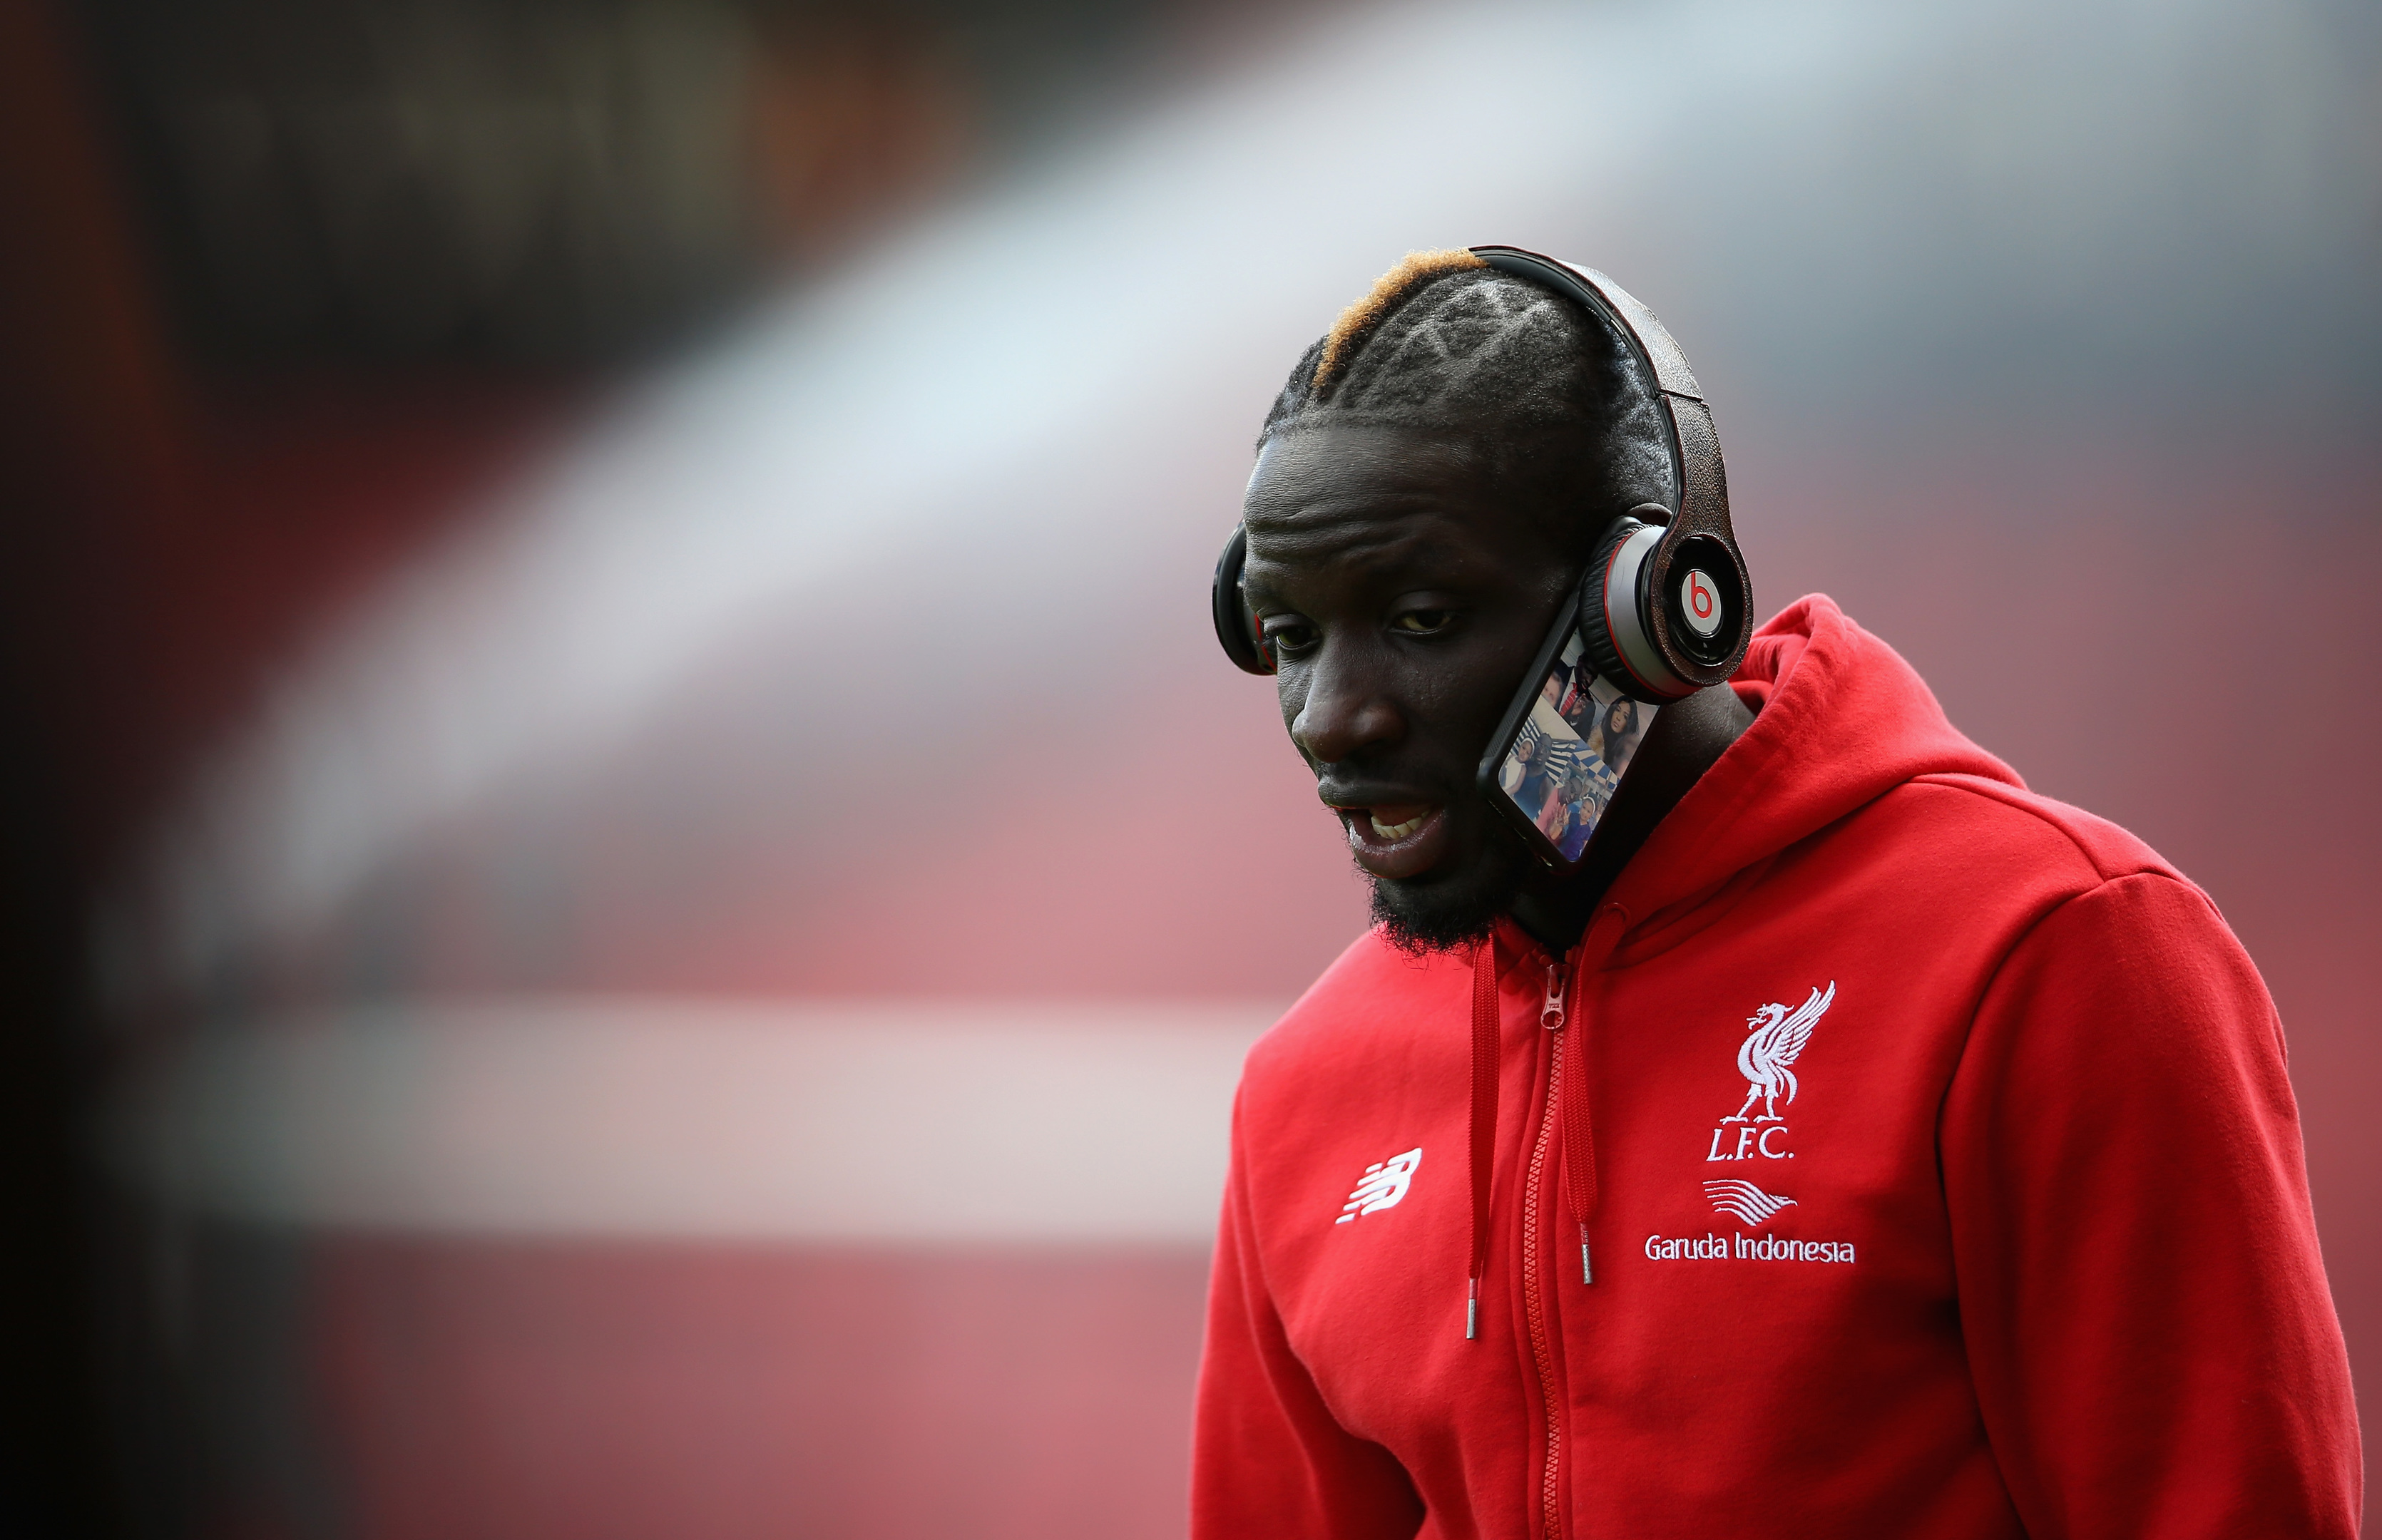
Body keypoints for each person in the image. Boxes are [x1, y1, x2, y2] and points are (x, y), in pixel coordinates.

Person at [1191, 250, 2361, 1537]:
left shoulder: (2053, 955)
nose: (1331, 717)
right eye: (1289, 637)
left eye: (1419, 618)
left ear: (1651, 609)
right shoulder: (1303, 1092)